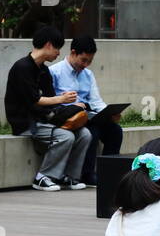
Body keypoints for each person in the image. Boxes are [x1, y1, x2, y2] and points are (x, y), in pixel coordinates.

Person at [4, 26, 92, 191]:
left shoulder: (44, 70)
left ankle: (68, 176)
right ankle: (43, 176)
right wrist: (62, 99)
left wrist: (70, 107)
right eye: (57, 48)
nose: (58, 53)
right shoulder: (22, 67)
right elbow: (33, 101)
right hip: (26, 123)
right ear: (49, 45)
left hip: (45, 119)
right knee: (66, 136)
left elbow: (51, 101)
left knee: (85, 134)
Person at [50, 35, 121, 187]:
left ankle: (108, 174)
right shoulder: (55, 72)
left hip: (89, 115)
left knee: (115, 131)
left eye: (89, 61)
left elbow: (96, 101)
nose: (86, 65)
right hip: (69, 117)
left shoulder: (88, 75)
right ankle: (86, 175)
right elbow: (51, 101)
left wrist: (109, 113)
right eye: (84, 60)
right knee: (93, 131)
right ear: (73, 52)